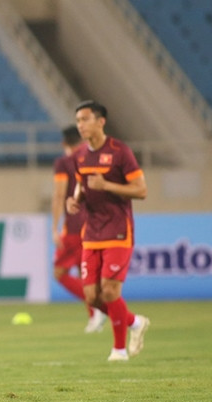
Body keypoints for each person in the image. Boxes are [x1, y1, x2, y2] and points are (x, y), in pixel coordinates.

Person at [66, 100, 150, 362]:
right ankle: (135, 322)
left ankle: (119, 350)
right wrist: (74, 200)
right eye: (78, 121)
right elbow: (81, 184)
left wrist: (108, 186)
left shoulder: (119, 151)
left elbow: (141, 190)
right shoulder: (79, 156)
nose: (81, 125)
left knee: (110, 291)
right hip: (92, 232)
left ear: (101, 121)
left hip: (118, 230)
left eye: (85, 119)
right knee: (92, 296)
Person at [51, 125, 106, 333]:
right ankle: (94, 317)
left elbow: (59, 196)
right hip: (96, 224)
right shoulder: (94, 158)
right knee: (86, 274)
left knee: (59, 272)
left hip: (75, 226)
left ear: (64, 143)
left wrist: (54, 228)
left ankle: (99, 306)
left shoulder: (64, 163)